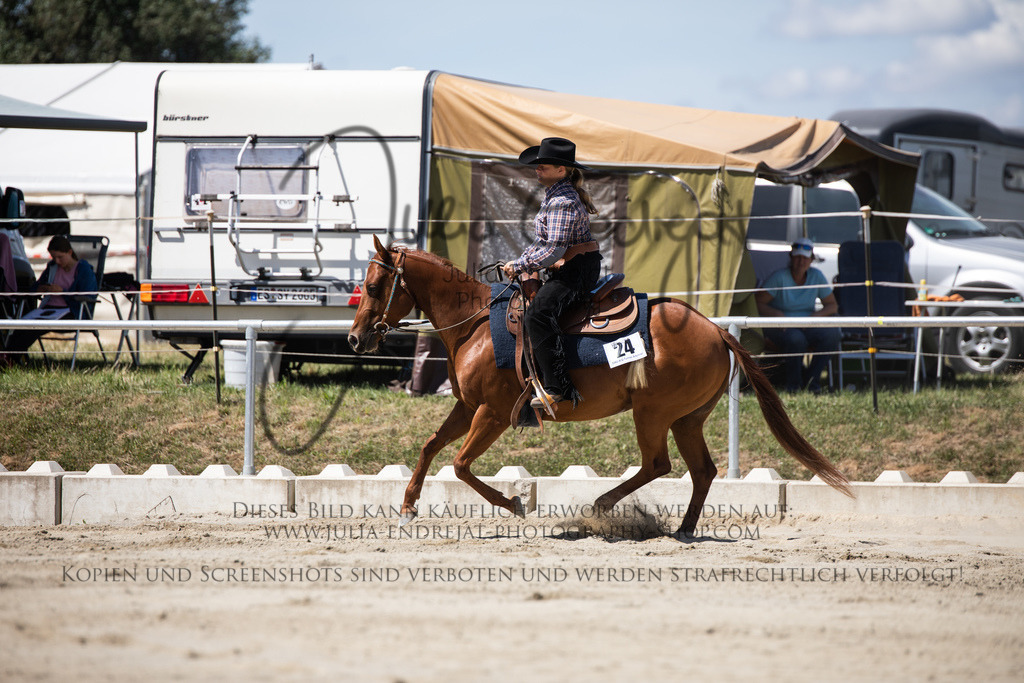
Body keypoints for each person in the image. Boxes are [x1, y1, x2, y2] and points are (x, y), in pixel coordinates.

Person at [501, 137, 601, 410]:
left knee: (539, 314)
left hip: (576, 270)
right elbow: (542, 245)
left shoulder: (562, 201)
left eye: (543, 166)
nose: (537, 169)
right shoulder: (554, 196)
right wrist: (520, 261)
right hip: (571, 266)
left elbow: (554, 250)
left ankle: (557, 388)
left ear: (561, 170)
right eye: (538, 165)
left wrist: (521, 266)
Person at [755, 237, 840, 393]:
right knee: (796, 339)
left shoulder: (817, 276)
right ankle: (793, 386)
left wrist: (813, 319)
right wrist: (777, 315)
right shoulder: (779, 277)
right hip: (780, 326)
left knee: (833, 334)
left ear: (811, 260)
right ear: (791, 257)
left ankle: (812, 382)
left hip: (807, 323)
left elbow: (832, 305)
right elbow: (758, 303)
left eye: (805, 258)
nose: (801, 261)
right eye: (798, 257)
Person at [2, 235, 98, 363]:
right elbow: (35, 287)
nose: (57, 261)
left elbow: (88, 294)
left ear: (70, 252)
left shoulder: (83, 270)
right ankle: (10, 356)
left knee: (35, 327)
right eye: (54, 257)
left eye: (60, 257)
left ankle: (10, 357)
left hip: (71, 312)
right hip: (48, 310)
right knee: (21, 325)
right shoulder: (52, 268)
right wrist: (39, 289)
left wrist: (62, 292)